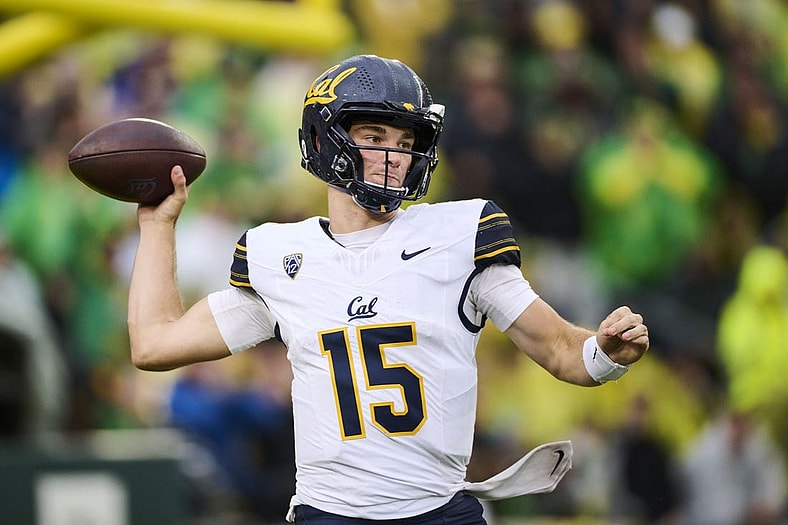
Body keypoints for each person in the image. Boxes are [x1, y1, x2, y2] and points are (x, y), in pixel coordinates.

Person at [127, 54, 649, 523]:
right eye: (374, 138)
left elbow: (564, 353)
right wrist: (157, 225)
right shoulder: (281, 257)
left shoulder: (460, 237)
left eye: (405, 143)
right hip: (329, 514)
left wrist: (605, 352)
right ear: (322, 140)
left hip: (437, 512)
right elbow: (155, 344)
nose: (394, 156)